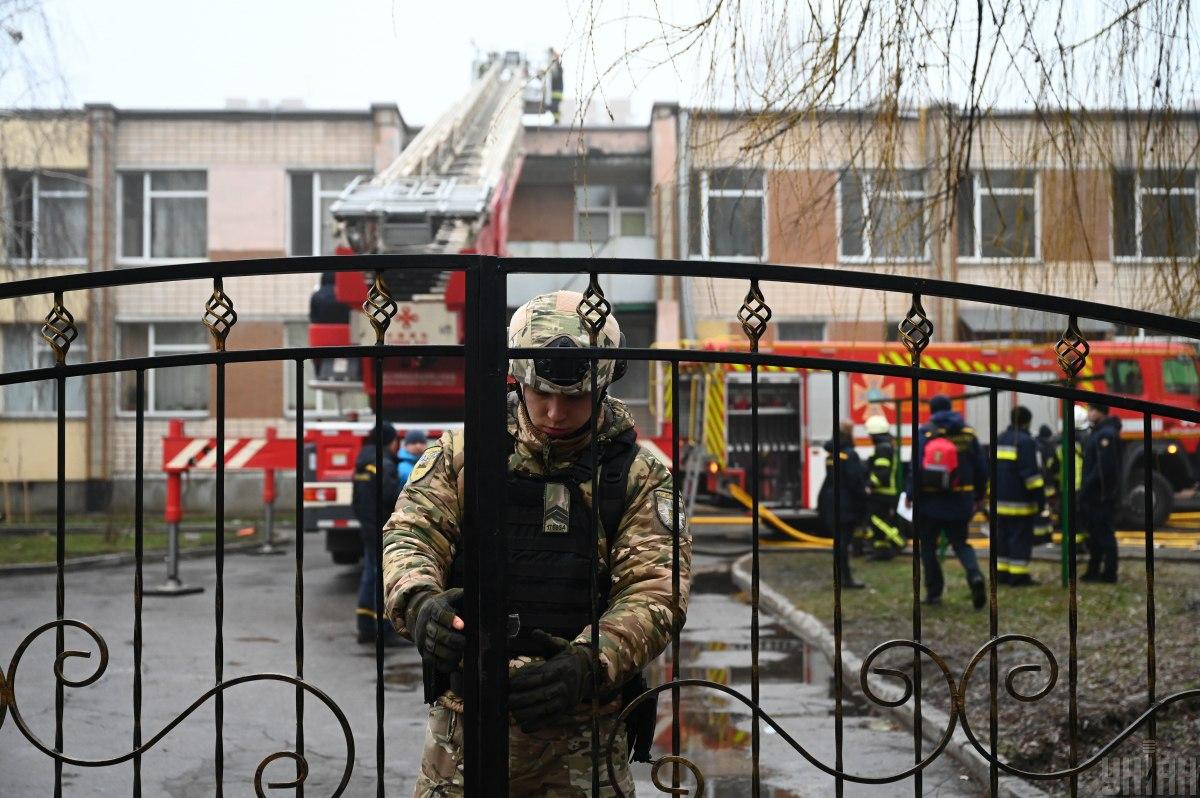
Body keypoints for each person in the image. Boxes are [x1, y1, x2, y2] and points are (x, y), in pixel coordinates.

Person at [381, 291, 692, 796]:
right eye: (540, 392)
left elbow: (657, 588)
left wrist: (589, 660)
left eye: (574, 398)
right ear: (517, 379)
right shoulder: (463, 454)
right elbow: (410, 534)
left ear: (604, 384)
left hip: (584, 738)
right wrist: (419, 602)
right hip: (465, 734)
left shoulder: (639, 474)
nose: (554, 412)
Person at [907, 394, 988, 609]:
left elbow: (914, 467)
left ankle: (934, 593)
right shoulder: (968, 433)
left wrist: (910, 495)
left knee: (928, 548)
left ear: (932, 410)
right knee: (961, 543)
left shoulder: (925, 432)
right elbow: (981, 468)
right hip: (961, 500)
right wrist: (979, 496)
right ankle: (975, 576)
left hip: (929, 502)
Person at [352, 422, 405, 645]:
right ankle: (384, 630)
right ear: (389, 441)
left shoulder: (363, 463)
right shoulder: (383, 464)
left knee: (369, 575)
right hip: (381, 527)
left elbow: (356, 501)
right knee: (383, 578)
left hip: (367, 526)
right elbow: (392, 497)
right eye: (395, 441)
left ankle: (365, 627)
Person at [993, 406, 1046, 586]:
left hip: (1000, 502)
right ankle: (1019, 576)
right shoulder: (1026, 442)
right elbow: (1031, 476)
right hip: (1021, 502)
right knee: (1020, 538)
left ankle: (1001, 574)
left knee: (1002, 538)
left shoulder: (1000, 438)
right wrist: (1040, 499)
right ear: (1027, 421)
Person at [817, 419, 868, 589]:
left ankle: (841, 578)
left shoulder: (831, 454)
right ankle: (846, 580)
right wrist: (864, 496)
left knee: (839, 543)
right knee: (844, 543)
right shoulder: (849, 454)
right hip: (846, 505)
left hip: (831, 504)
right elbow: (855, 482)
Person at [1080, 403, 1122, 583]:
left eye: (1091, 410)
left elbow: (1103, 467)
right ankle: (1093, 570)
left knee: (1104, 533)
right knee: (1095, 534)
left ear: (1100, 412)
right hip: (1095, 493)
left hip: (1101, 494)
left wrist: (1087, 486)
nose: (1089, 413)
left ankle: (1109, 573)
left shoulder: (1106, 435)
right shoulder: (1098, 432)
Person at [864, 414, 905, 561]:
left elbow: (882, 471)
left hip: (883, 492)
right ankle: (882, 552)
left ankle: (898, 540)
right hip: (887, 492)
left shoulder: (882, 448)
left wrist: (870, 485)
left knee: (874, 519)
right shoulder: (887, 445)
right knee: (881, 520)